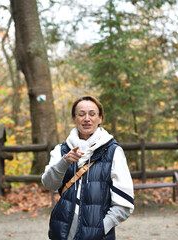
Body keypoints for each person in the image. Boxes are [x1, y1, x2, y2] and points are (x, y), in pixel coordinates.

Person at [41, 96, 134, 240]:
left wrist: (100, 228)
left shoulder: (113, 152)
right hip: (62, 232)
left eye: (92, 114)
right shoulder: (60, 150)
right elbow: (48, 184)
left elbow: (124, 204)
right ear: (74, 118)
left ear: (100, 118)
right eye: (81, 114)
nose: (86, 119)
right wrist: (64, 162)